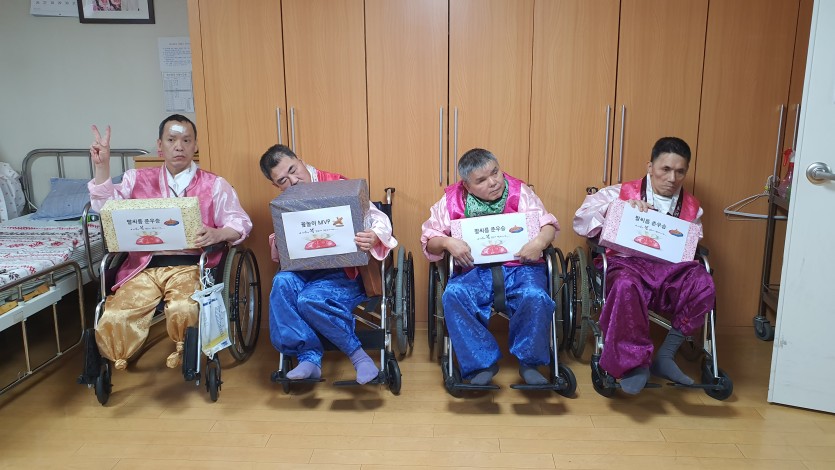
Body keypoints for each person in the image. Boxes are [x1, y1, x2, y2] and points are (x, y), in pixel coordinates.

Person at [88, 114, 252, 371]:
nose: (179, 146)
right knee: (117, 312)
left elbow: (240, 222)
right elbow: (106, 209)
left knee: (184, 307)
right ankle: (116, 355)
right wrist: (102, 167)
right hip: (142, 267)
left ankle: (184, 349)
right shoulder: (135, 180)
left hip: (192, 266)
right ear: (159, 145)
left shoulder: (214, 185)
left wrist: (218, 234)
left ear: (195, 145)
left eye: (186, 140)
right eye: (172, 139)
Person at [573, 136, 715, 394]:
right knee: (626, 285)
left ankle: (666, 355)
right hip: (626, 264)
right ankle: (633, 364)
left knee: (703, 282)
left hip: (669, 270)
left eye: (680, 171)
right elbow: (581, 222)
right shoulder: (619, 193)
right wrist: (618, 209)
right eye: (665, 169)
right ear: (650, 167)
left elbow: (689, 245)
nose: (672, 178)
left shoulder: (693, 208)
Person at [260, 144, 398, 385]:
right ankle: (309, 358)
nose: (293, 180)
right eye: (283, 180)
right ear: (276, 185)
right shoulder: (284, 203)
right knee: (281, 283)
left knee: (309, 299)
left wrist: (374, 236)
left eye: (293, 170)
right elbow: (281, 251)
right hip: (304, 271)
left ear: (300, 160)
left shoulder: (337, 184)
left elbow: (378, 218)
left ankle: (359, 357)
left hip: (344, 272)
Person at [420, 148, 559, 386]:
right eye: (481, 180)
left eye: (495, 172)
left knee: (535, 295)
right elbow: (429, 240)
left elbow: (547, 224)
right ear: (467, 185)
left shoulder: (520, 192)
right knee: (454, 294)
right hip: (474, 270)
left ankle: (530, 363)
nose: (493, 182)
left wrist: (539, 243)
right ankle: (481, 363)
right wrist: (447, 242)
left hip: (521, 267)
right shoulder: (451, 200)